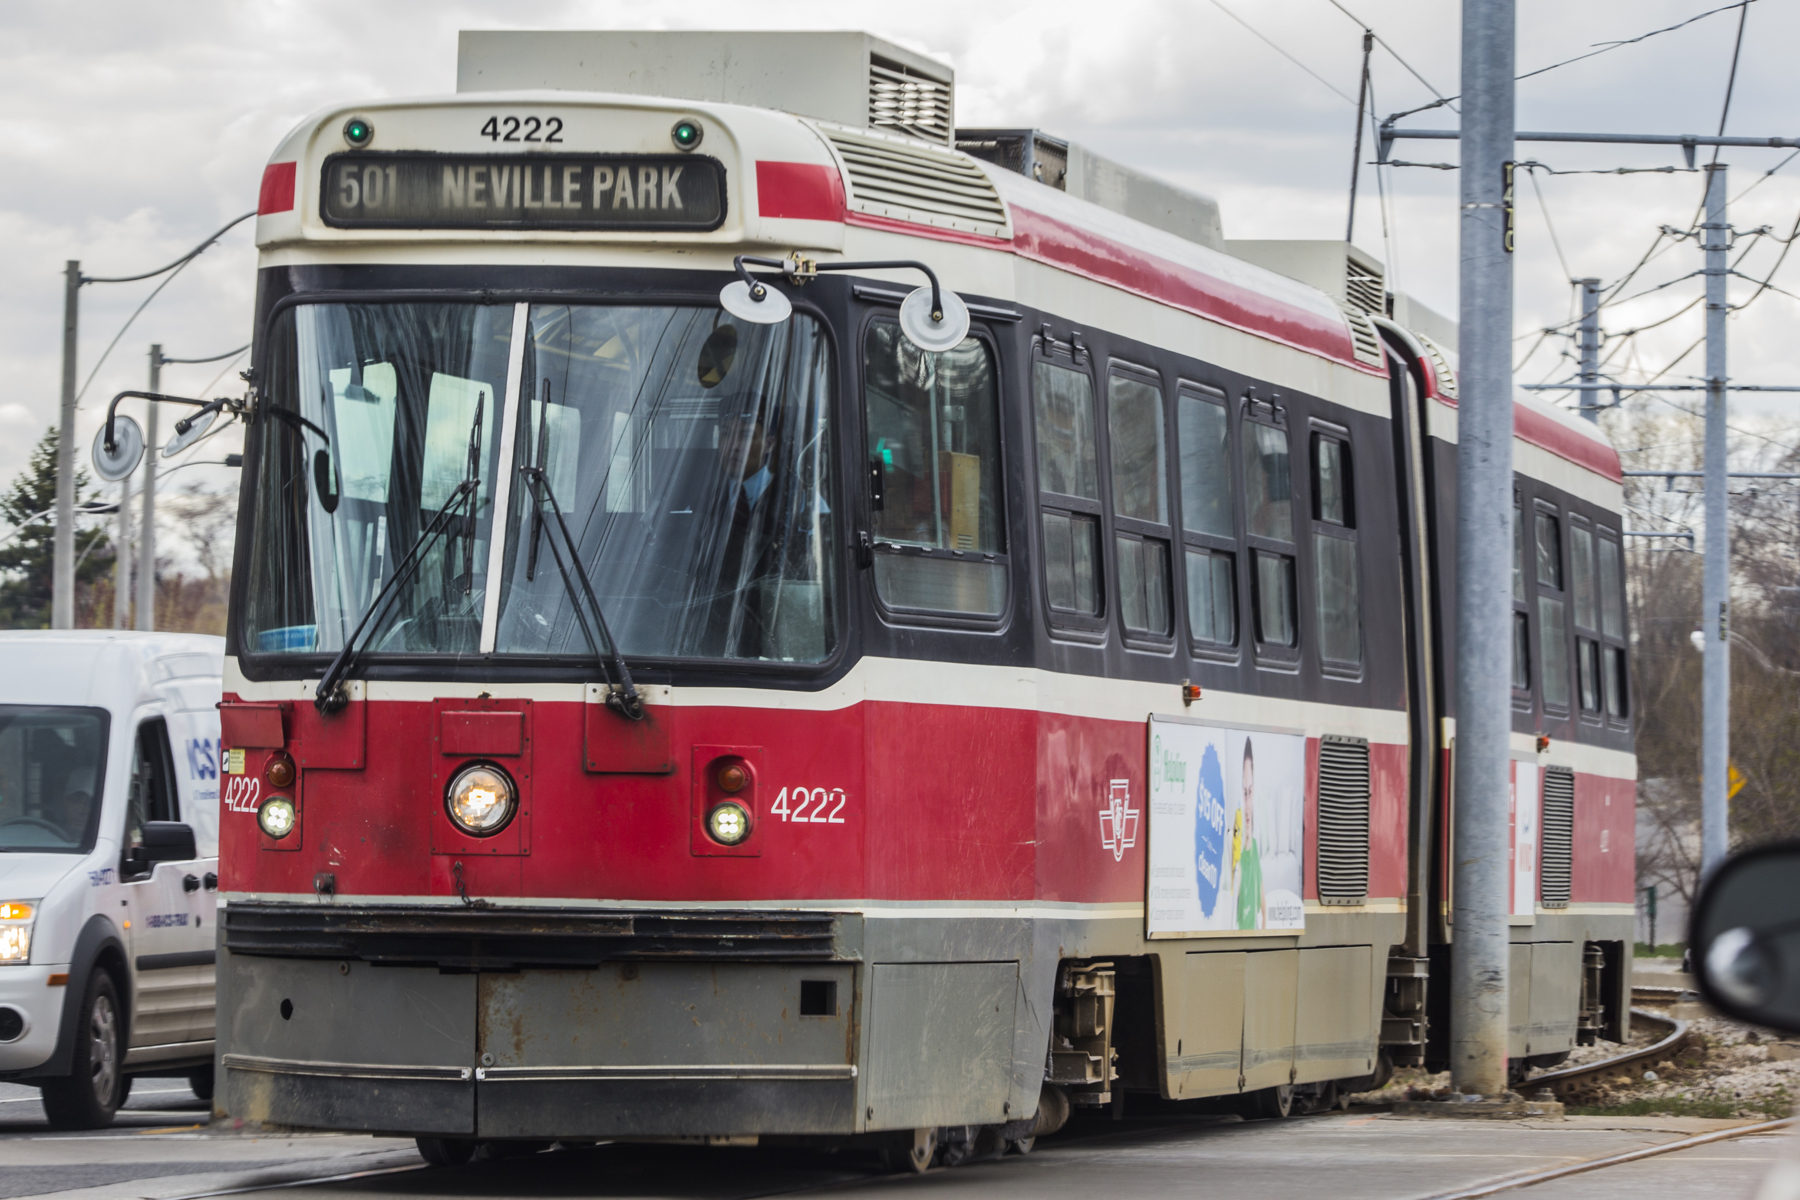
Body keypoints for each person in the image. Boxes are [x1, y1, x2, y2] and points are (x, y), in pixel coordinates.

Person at [1236, 738, 1264, 930]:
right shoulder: (1234, 854)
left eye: (1250, 792)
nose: (1247, 806)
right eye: (1243, 793)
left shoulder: (1253, 845)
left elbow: (1262, 901)